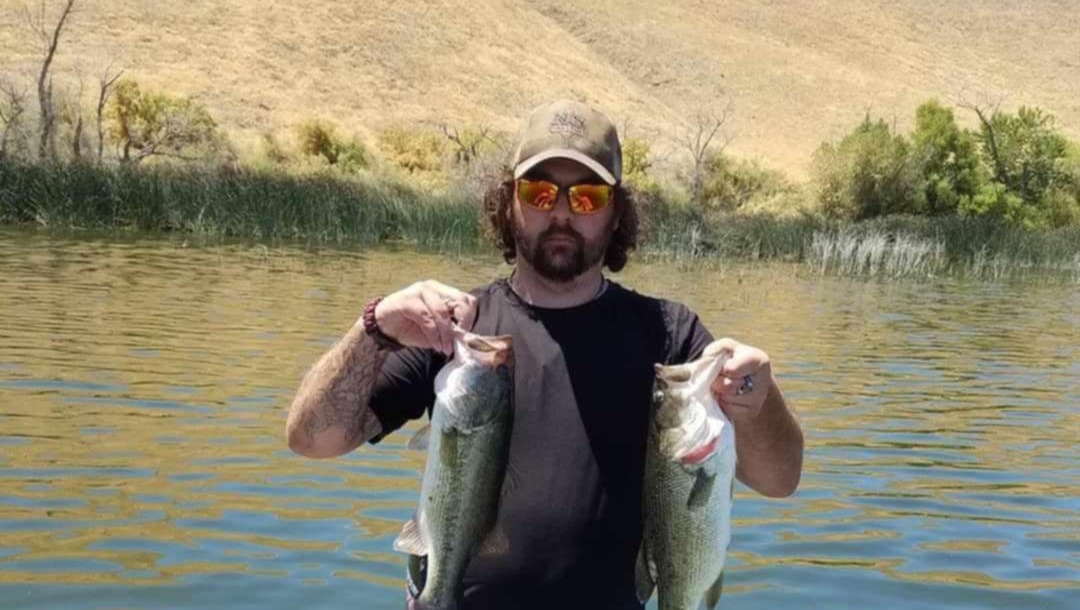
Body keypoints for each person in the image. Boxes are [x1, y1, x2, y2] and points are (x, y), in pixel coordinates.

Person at [285, 99, 803, 610]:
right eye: (539, 192)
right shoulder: (458, 330)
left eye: (586, 197)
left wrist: (758, 397)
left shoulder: (671, 336)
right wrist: (374, 330)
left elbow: (780, 481)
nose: (560, 213)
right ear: (509, 203)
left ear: (616, 213)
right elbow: (312, 439)